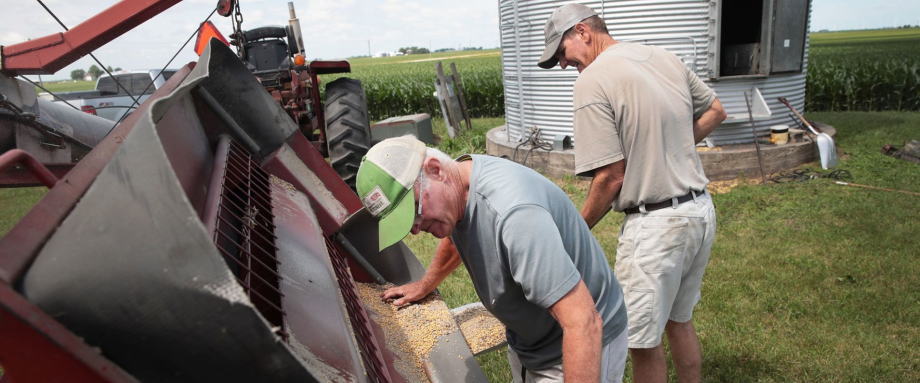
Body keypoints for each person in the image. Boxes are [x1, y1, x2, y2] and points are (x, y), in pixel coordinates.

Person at [536, 4, 727, 383]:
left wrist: (575, 228)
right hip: (699, 212)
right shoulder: (662, 57)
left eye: (561, 52)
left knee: (642, 342)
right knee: (680, 321)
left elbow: (610, 176)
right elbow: (716, 111)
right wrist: (667, 148)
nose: (562, 64)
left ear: (582, 32)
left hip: (657, 228)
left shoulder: (593, 80)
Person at [356, 135, 628, 382]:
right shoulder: (459, 187)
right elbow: (456, 230)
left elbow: (583, 322)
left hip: (575, 346)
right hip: (532, 340)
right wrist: (426, 283)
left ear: (435, 170)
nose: (414, 228)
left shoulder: (516, 216)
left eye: (414, 212)